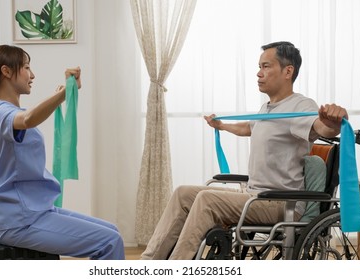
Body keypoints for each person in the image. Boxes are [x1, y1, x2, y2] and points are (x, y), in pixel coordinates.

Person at [141, 41, 348, 260]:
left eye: (266, 67)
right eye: (259, 67)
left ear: (288, 71)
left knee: (207, 200)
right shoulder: (268, 108)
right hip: (255, 195)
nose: (259, 73)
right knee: (183, 193)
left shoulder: (300, 106)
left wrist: (334, 121)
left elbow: (321, 128)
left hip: (279, 202)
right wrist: (221, 126)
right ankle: (149, 262)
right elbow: (250, 127)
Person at [0, 45, 125, 260]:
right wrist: (64, 93)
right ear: (6, 71)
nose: (32, 74)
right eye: (27, 67)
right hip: (20, 220)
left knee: (113, 232)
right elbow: (28, 120)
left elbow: (28, 117)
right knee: (110, 242)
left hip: (35, 211)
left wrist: (63, 94)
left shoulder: (7, 111)